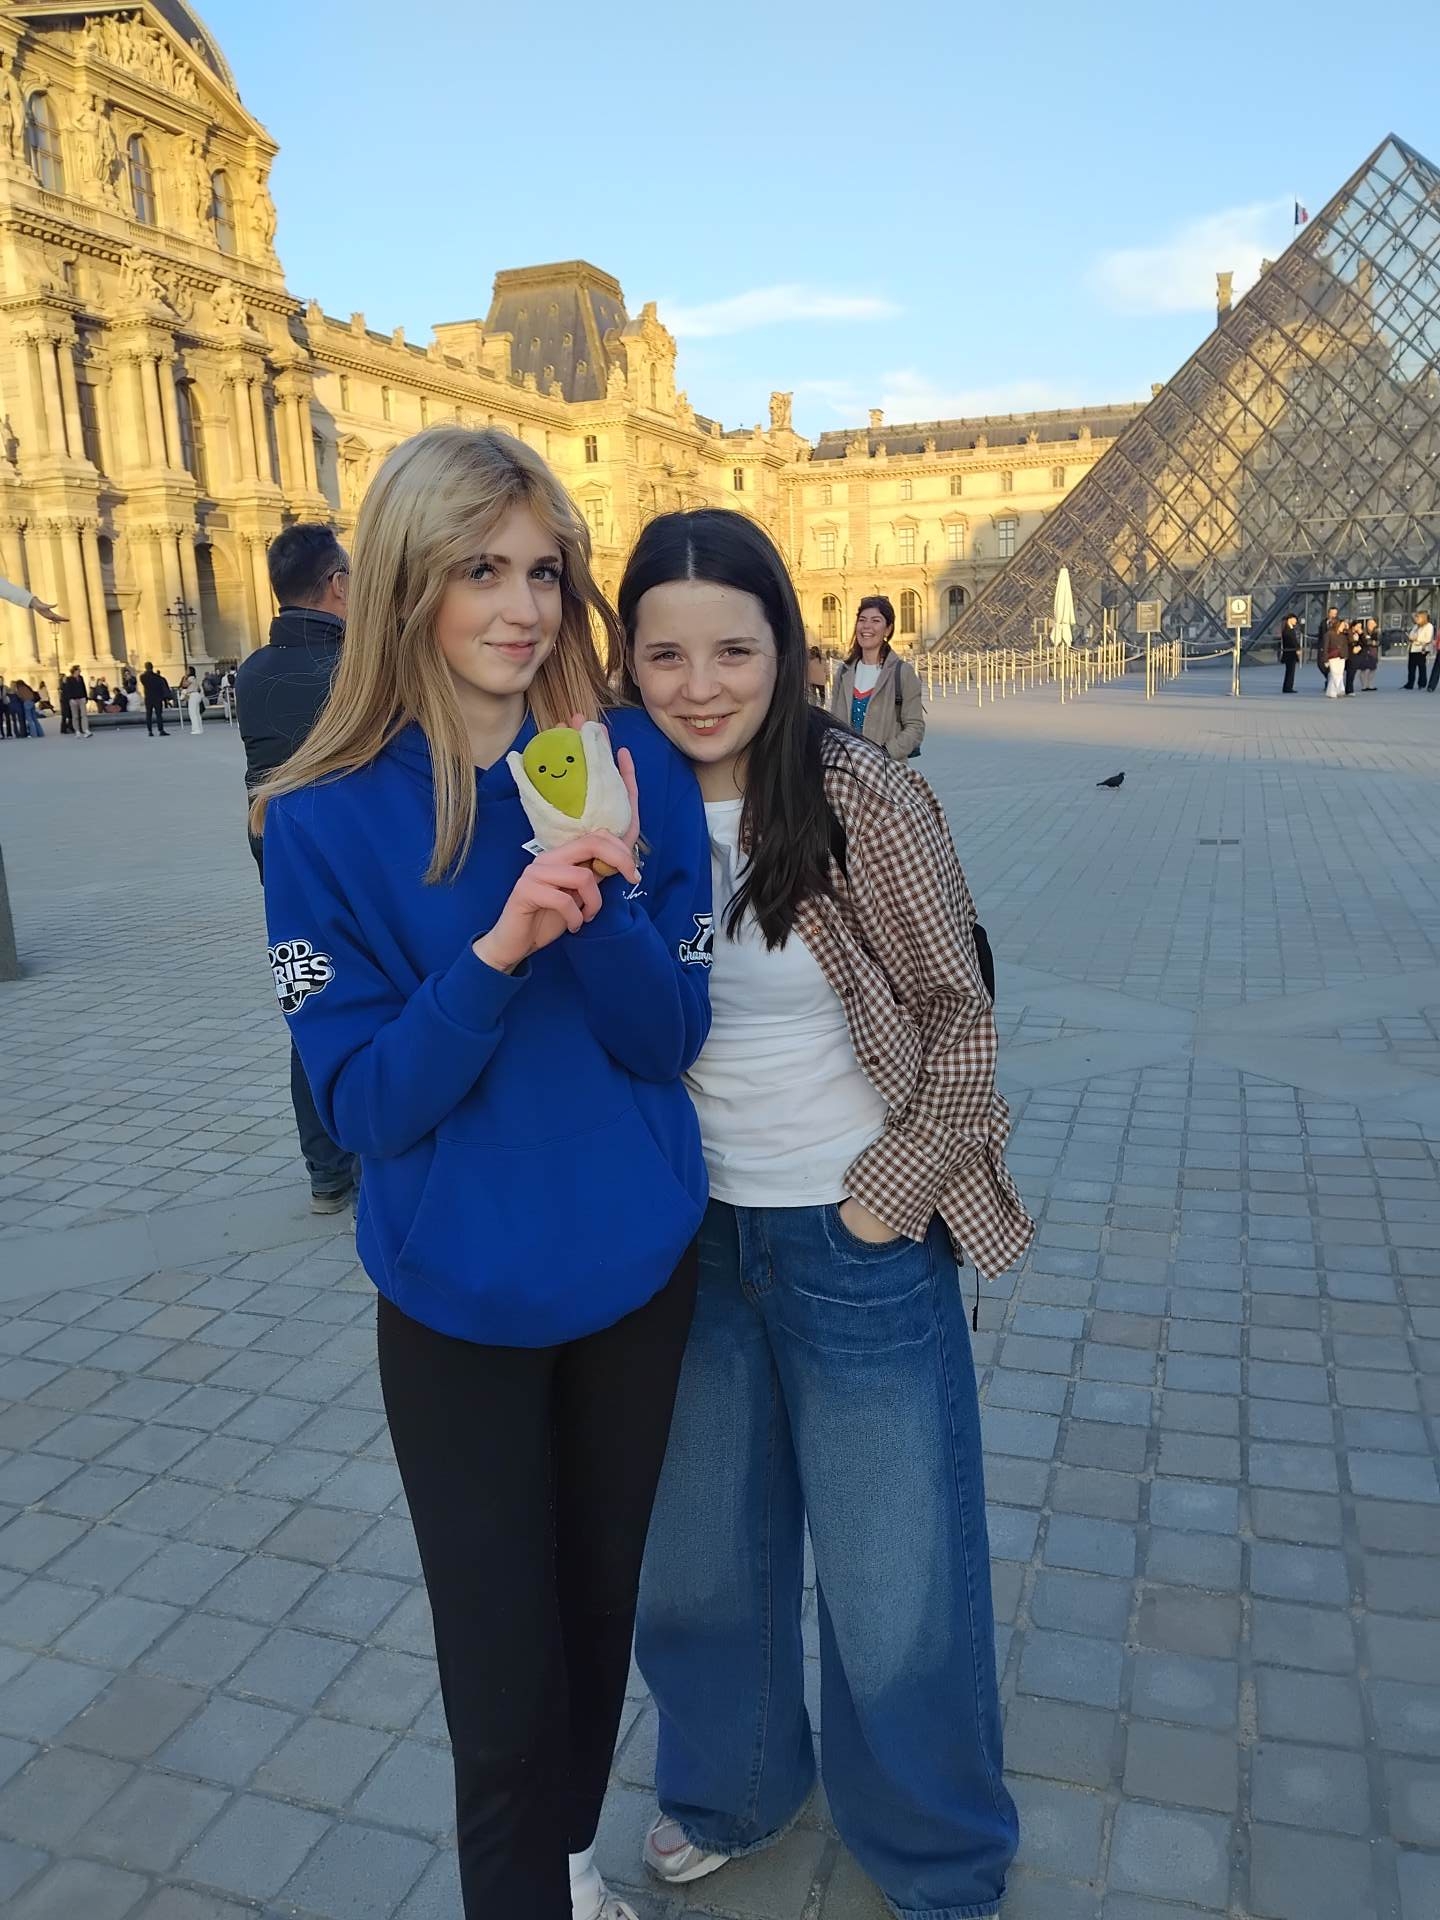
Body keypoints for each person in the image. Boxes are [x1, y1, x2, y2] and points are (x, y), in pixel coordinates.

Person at [249, 427, 713, 1920]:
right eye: (480, 571)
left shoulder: (630, 765)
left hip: (634, 1279)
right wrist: (500, 948)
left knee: (596, 1624)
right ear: (406, 585)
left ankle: (566, 1866)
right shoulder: (318, 820)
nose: (522, 609)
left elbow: (668, 1037)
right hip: (459, 1307)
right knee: (501, 1696)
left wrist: (611, 904)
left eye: (543, 572)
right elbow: (366, 1104)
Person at [624, 509, 1032, 1920]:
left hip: (852, 1236)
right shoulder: (604, 794)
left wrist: (885, 1201)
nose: (700, 686)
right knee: (696, 1563)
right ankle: (733, 1789)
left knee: (893, 1577)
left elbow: (961, 1016)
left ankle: (934, 1849)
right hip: (683, 1244)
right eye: (665, 654)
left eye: (733, 650)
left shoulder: (863, 794)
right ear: (625, 659)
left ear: (785, 646)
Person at [237, 523, 359, 1213]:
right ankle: (371, 1151)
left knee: (307, 1004)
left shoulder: (253, 671)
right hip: (354, 865)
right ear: (337, 584)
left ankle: (325, 1173)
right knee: (371, 1001)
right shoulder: (357, 667)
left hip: (279, 863)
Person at [829, 595, 925, 759]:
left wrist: (884, 753)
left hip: (885, 768)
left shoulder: (903, 672)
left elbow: (915, 727)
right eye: (862, 620)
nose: (866, 626)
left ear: (888, 629)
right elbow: (835, 723)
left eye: (875, 620)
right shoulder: (844, 672)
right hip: (847, 767)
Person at [140, 660, 171, 735]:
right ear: (152, 667)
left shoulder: (143, 677)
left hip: (148, 698)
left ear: (145, 667)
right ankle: (161, 730)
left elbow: (144, 682)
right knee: (159, 714)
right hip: (157, 697)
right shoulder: (157, 677)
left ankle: (150, 731)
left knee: (149, 714)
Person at [61, 664, 91, 736]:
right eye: (79, 669)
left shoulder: (81, 678)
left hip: (81, 698)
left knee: (84, 715)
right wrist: (70, 699)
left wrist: (86, 697)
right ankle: (77, 730)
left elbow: (83, 688)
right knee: (75, 716)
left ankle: (85, 729)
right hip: (73, 699)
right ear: (75, 671)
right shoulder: (69, 679)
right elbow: (68, 690)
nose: (80, 671)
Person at [1406, 610, 1433, 690]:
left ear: (1423, 618)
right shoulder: (1416, 626)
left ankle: (1422, 683)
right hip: (1412, 649)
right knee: (1411, 667)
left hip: (1421, 649)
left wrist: (1416, 639)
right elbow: (1411, 634)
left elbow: (1428, 638)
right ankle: (1410, 683)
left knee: (1421, 667)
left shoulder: (1429, 626)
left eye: (1418, 617)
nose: (1416, 619)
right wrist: (1410, 637)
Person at [1323, 623, 1348, 698]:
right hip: (1333, 656)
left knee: (1340, 674)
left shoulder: (1343, 635)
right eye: (1342, 625)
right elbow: (1325, 647)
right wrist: (1325, 659)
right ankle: (1333, 691)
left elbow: (1345, 645)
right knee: (1334, 674)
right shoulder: (1329, 634)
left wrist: (1346, 655)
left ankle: (1338, 690)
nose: (1343, 627)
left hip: (1341, 656)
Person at [1279, 613, 1301, 693]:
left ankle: (1288, 686)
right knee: (1290, 671)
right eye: (1294, 619)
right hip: (1290, 653)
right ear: (1290, 619)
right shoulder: (1287, 630)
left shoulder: (1290, 629)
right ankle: (1288, 687)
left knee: (1290, 671)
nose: (1296, 621)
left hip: (1291, 652)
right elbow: (1292, 641)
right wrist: (1297, 648)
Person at [1317, 606, 1340, 684]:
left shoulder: (1339, 623)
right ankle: (1328, 677)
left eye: (1335, 613)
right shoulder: (1323, 623)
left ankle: (1330, 681)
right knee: (1320, 664)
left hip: (1334, 647)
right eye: (1332, 613)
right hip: (1323, 646)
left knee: (1332, 666)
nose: (1334, 615)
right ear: (1328, 613)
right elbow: (1320, 635)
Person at [1356, 619, 1380, 692]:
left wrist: (1375, 643)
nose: (1371, 625)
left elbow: (1380, 641)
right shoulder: (1363, 632)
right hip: (1364, 652)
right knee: (1363, 669)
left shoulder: (1377, 632)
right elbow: (1363, 641)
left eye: (1373, 624)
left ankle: (1369, 684)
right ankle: (1364, 685)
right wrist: (1371, 642)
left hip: (1373, 652)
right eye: (1370, 623)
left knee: (1373, 668)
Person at [1343, 623, 1363, 696]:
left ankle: (1349, 689)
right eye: (1358, 626)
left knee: (1352, 674)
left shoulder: (1360, 634)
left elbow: (1364, 643)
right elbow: (1347, 642)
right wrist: (1354, 642)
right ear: (1353, 626)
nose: (1359, 628)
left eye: (1360, 627)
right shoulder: (1348, 633)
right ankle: (1347, 689)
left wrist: (1361, 636)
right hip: (1348, 654)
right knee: (1347, 673)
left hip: (1355, 656)